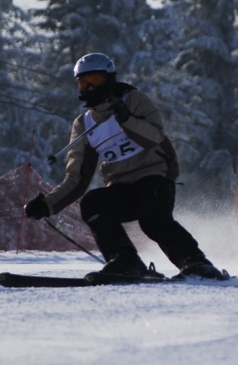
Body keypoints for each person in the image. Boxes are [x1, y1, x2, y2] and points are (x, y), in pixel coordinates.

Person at [23, 52, 225, 280]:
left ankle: (196, 262)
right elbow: (77, 178)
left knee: (152, 220)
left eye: (96, 80)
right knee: (93, 203)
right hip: (122, 189)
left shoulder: (134, 100)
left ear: (109, 79)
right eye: (83, 83)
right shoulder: (84, 124)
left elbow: (156, 137)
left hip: (155, 179)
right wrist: (48, 204)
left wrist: (127, 119)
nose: (90, 88)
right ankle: (124, 260)